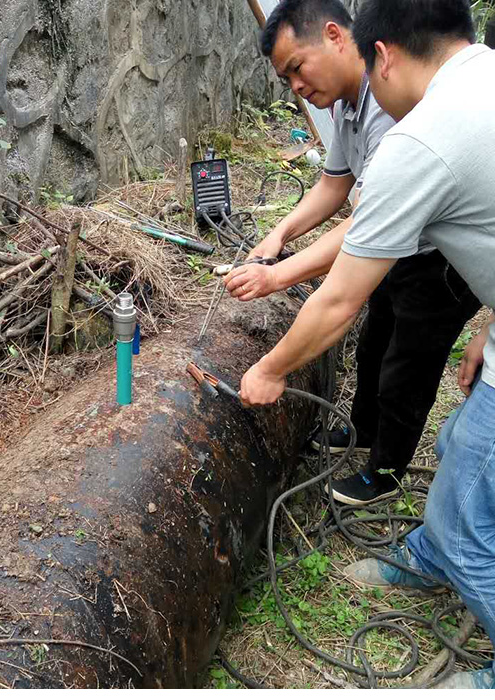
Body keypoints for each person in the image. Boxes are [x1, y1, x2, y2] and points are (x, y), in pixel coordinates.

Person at [238, 0, 495, 689]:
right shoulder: (483, 81)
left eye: (297, 69)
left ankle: (447, 547)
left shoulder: (424, 132)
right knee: (460, 451)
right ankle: (433, 555)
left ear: (377, 50)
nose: (298, 89)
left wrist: (269, 367)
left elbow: (341, 295)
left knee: (470, 504)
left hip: (430, 270)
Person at [225, 0, 480, 507]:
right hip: (395, 251)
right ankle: (361, 429)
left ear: (338, 37)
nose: (295, 86)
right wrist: (280, 235)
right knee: (374, 346)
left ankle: (385, 471)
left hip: (437, 262)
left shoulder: (402, 107)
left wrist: (277, 281)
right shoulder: (345, 102)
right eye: (285, 79)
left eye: (297, 67)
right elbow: (334, 184)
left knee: (407, 366)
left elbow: (362, 233)